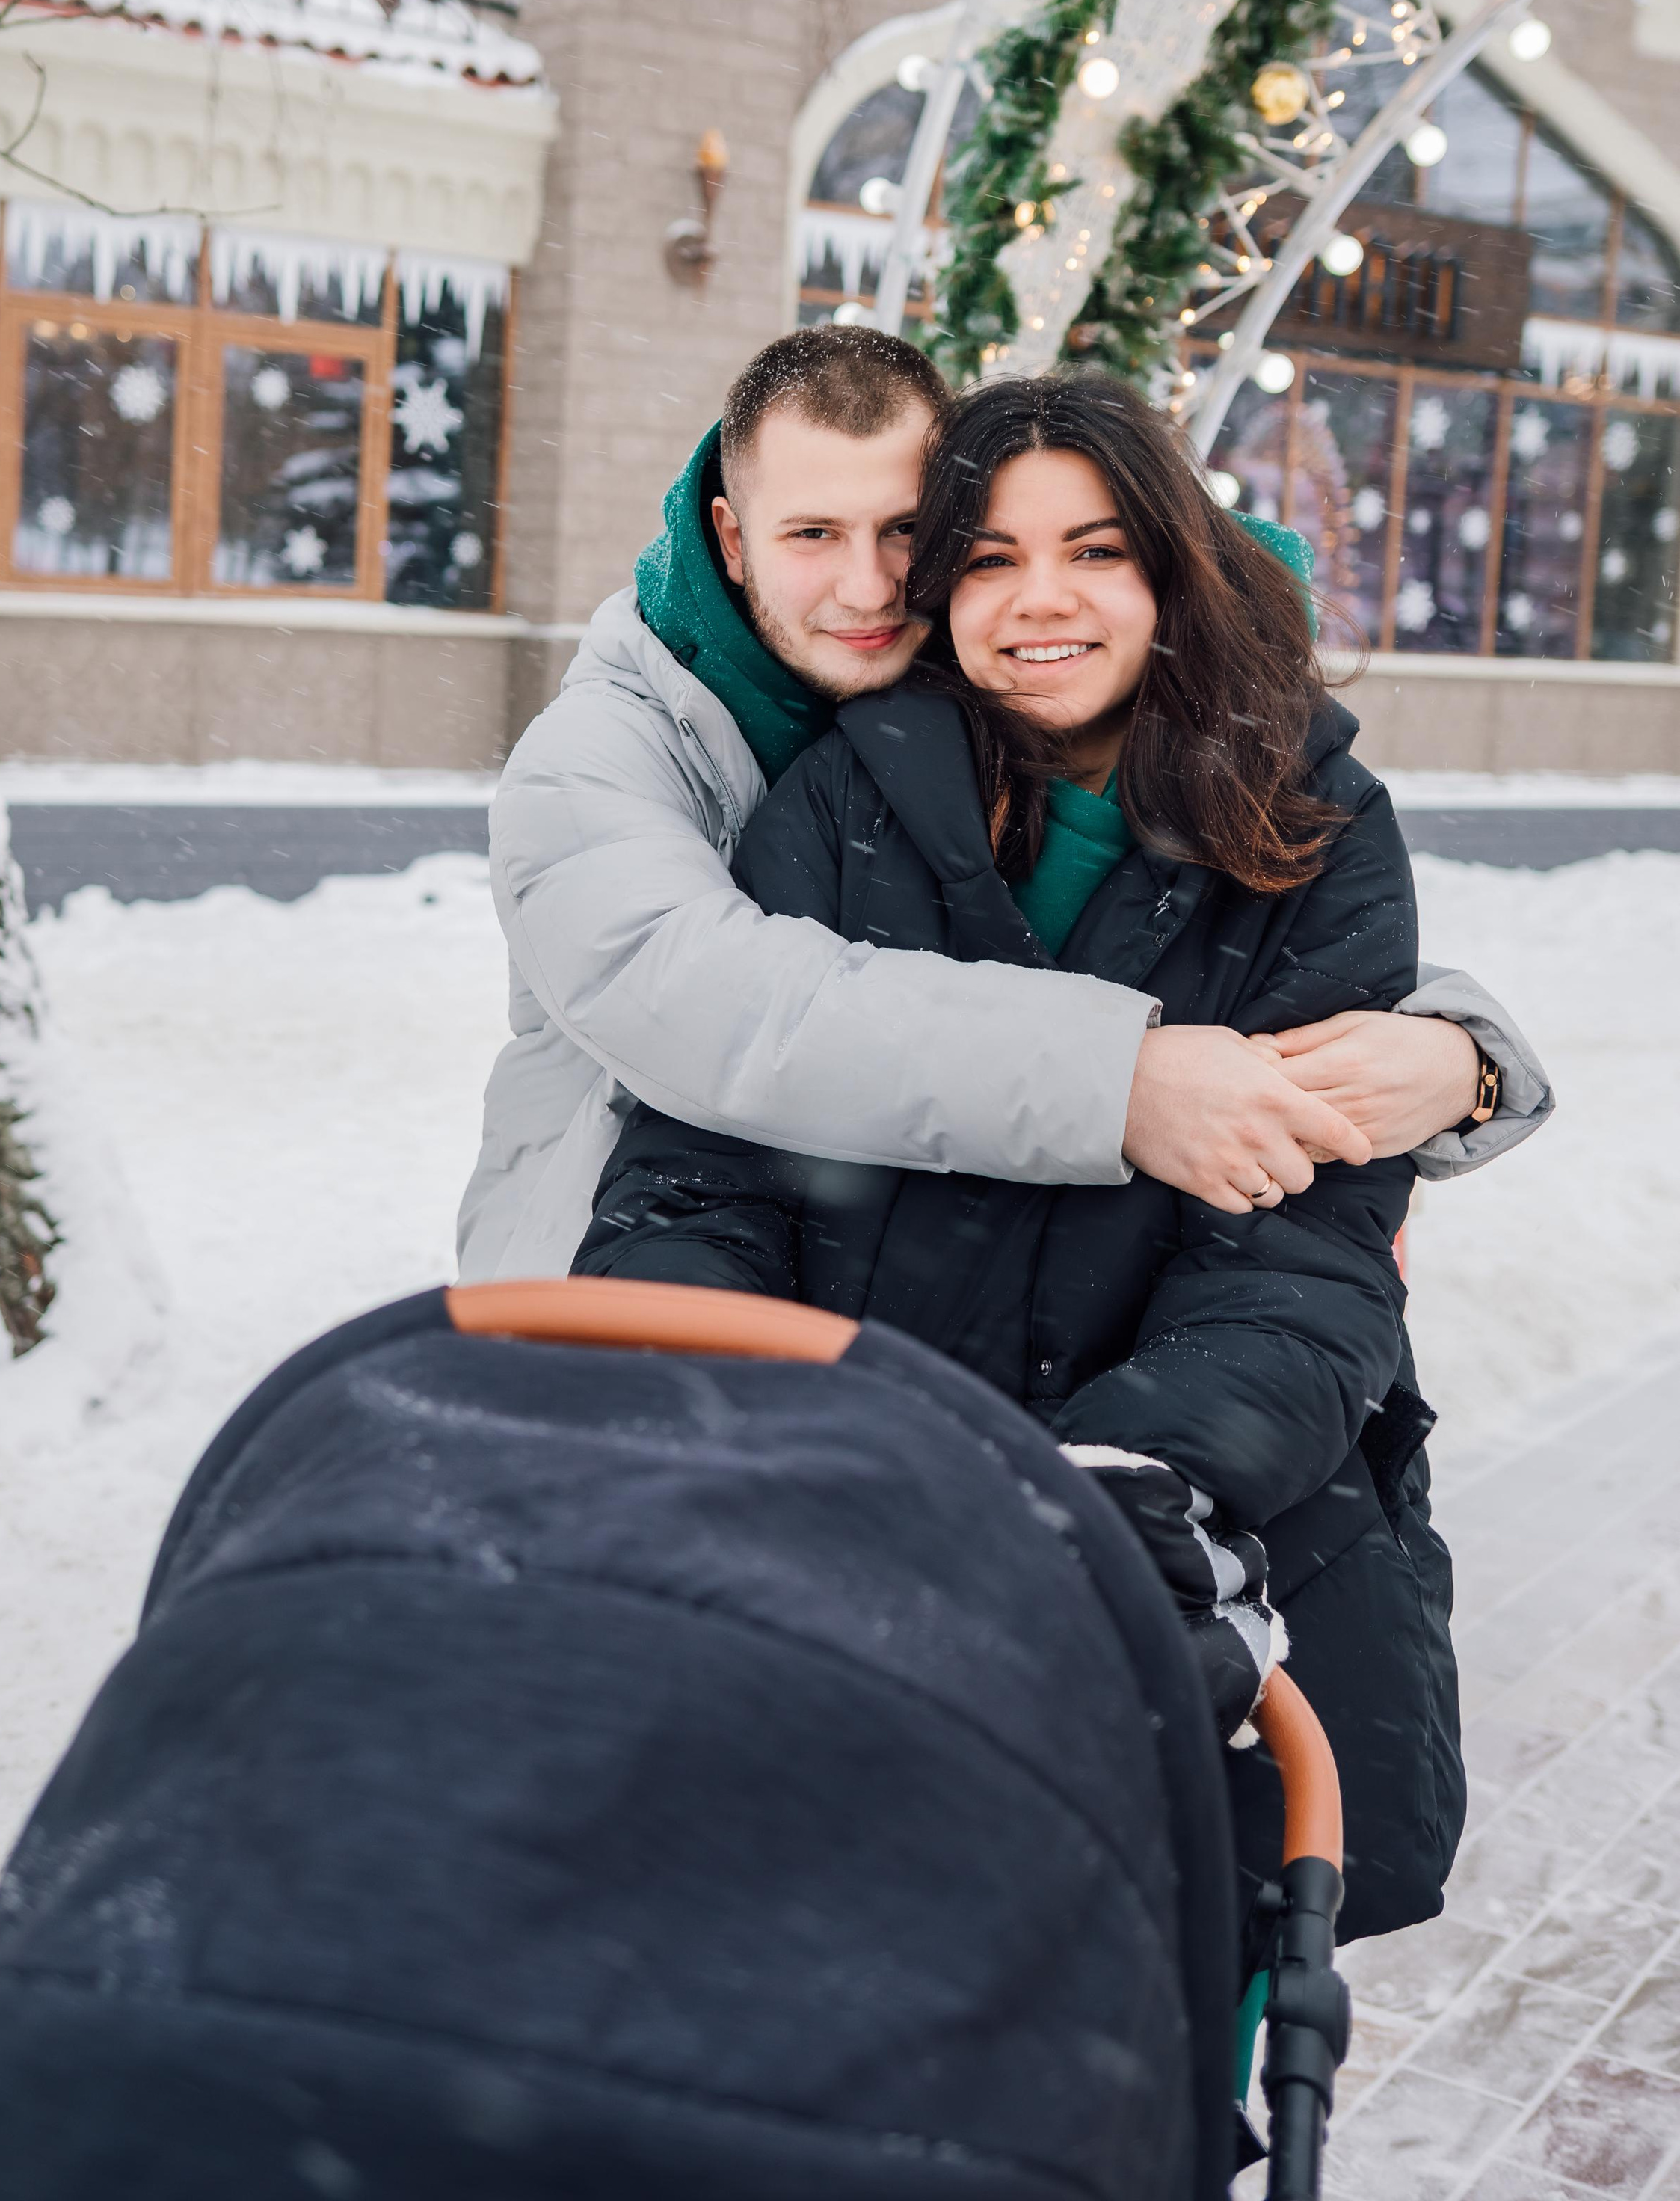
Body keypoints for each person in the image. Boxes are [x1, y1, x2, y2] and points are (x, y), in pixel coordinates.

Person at [574, 369, 1468, 1944]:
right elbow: (705, 1174)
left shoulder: (1311, 824)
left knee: (1136, 1974)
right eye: (987, 559)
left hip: (1181, 1533)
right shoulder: (839, 804)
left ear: (1171, 567)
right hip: (856, 1509)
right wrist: (741, 1416)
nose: (1038, 599)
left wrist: (1140, 1472)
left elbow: (1302, 1252)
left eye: (1095, 551)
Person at [458, 327, 1549, 1284]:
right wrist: (1118, 1082)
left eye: (904, 531)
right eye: (812, 535)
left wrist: (1461, 1055)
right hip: (600, 1302)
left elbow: (1201, 922)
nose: (870, 587)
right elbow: (728, 1014)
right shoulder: (598, 756)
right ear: (734, 542)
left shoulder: (966, 710)